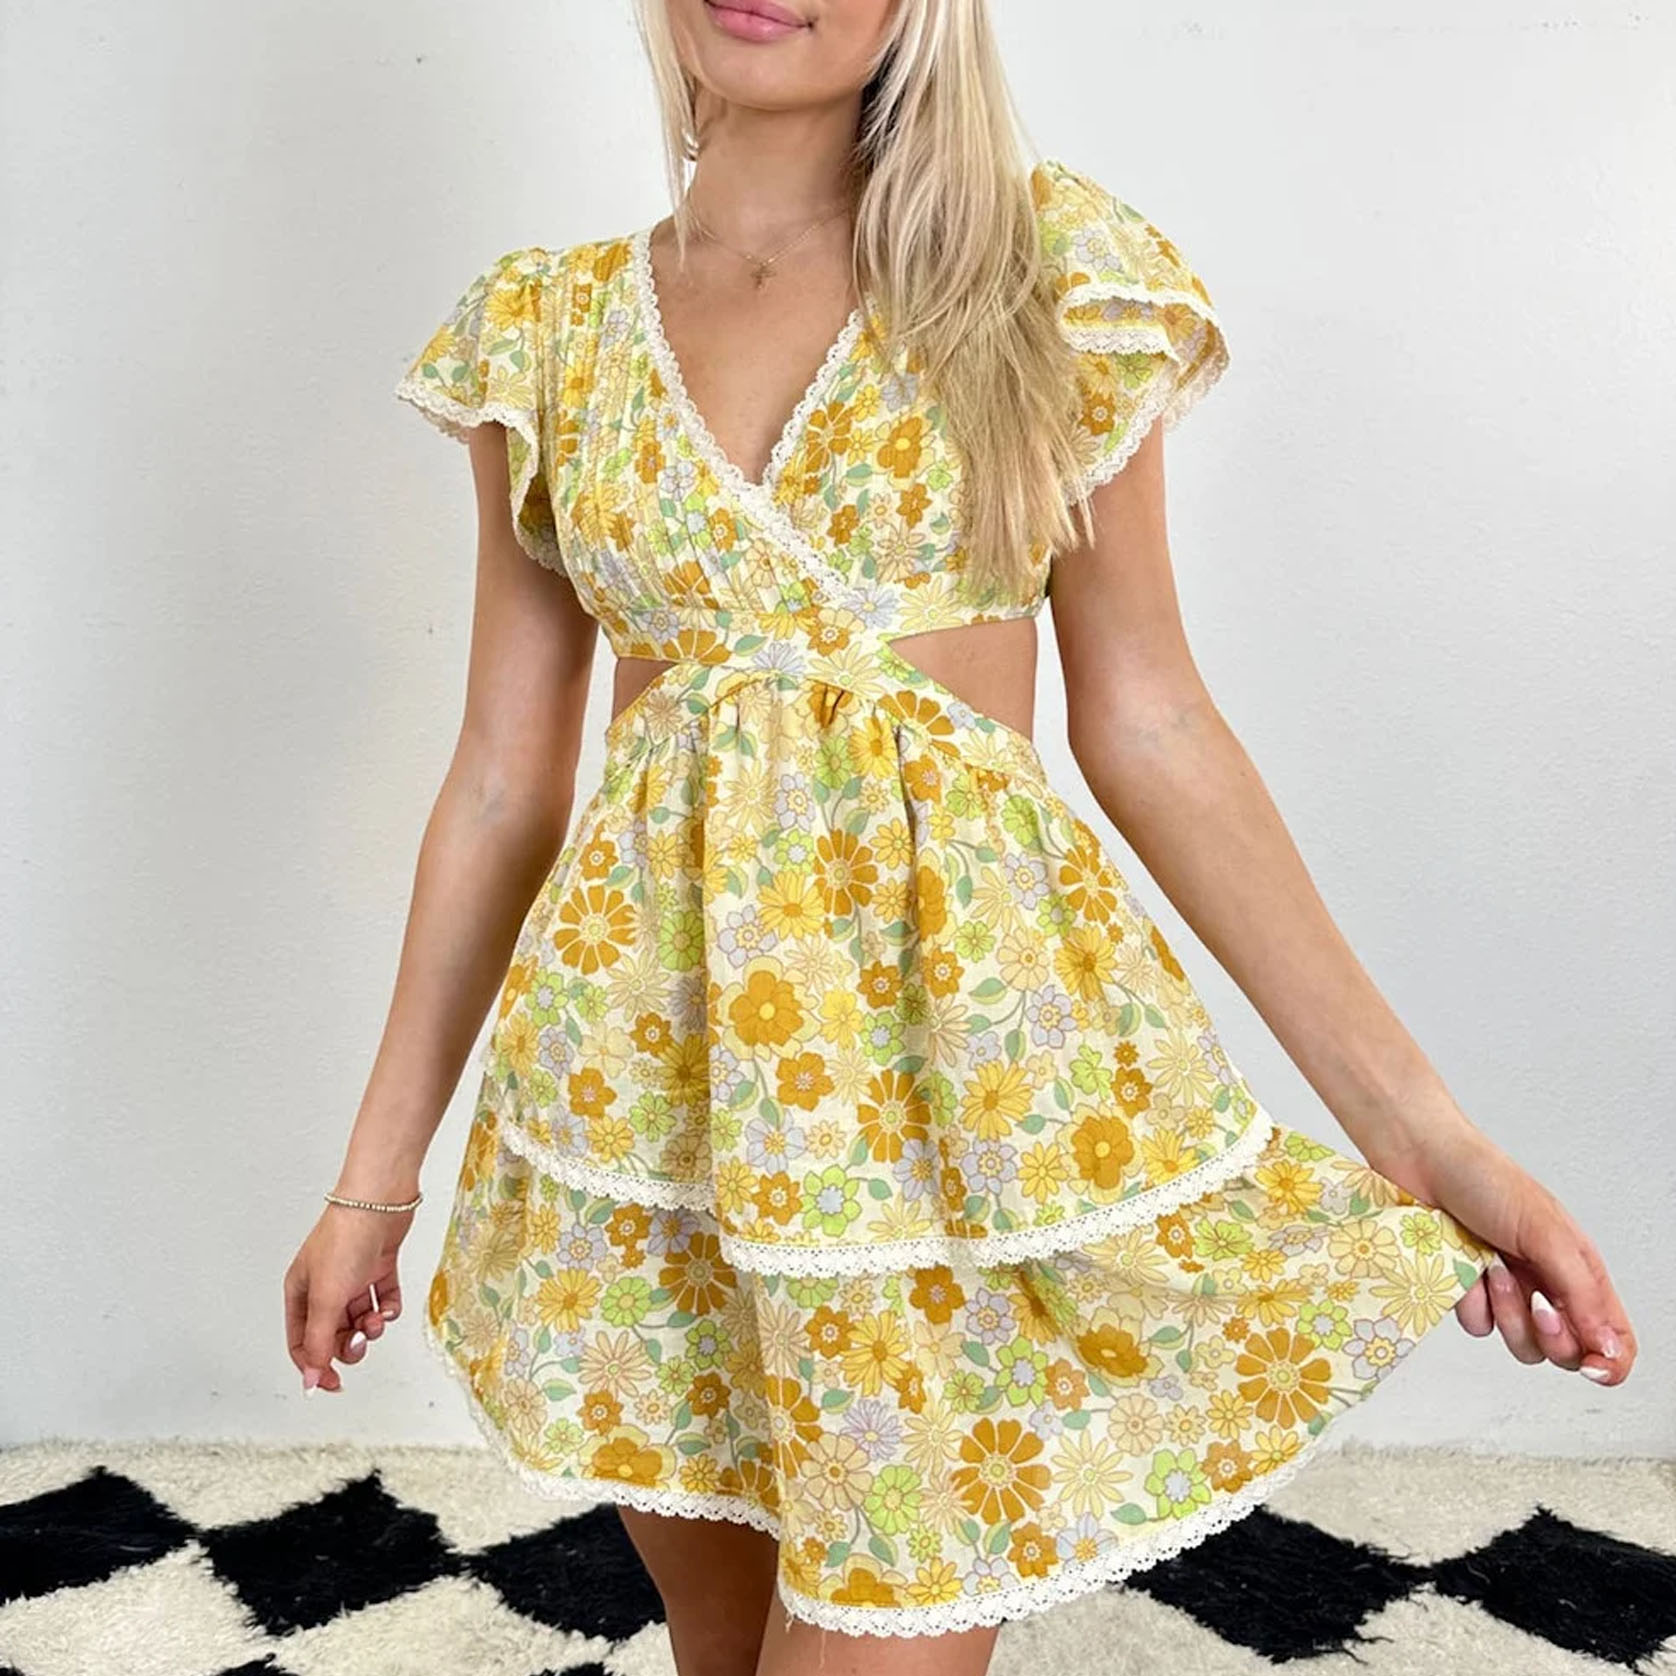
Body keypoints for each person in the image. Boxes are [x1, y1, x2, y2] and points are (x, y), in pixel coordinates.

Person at [283, 2, 1637, 1671]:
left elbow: (1152, 724)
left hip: (951, 1118)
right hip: (650, 1108)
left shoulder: (1046, 281)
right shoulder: (546, 330)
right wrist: (372, 1183)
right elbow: (501, 778)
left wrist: (1428, 1140)